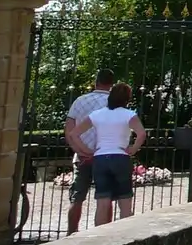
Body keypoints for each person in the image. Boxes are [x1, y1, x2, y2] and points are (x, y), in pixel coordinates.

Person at [82, 83, 147, 227]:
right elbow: (141, 133)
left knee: (102, 202)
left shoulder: (97, 114)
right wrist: (133, 148)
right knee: (125, 202)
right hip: (120, 156)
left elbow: (74, 133)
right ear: (127, 99)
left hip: (100, 157)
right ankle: (123, 237)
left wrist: (85, 150)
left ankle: (98, 237)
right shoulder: (128, 114)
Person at [62, 69, 115, 235]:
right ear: (112, 84)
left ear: (96, 81)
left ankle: (71, 233)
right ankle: (102, 235)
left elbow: (69, 128)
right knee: (105, 198)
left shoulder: (80, 100)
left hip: (82, 155)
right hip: (105, 155)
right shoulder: (114, 103)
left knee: (77, 197)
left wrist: (79, 150)